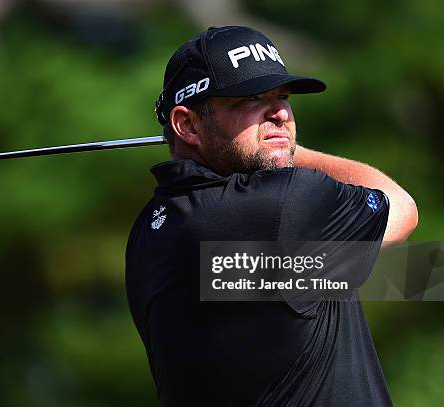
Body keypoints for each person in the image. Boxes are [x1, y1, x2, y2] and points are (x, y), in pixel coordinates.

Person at [125, 26, 418, 406]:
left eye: (282, 97)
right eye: (250, 98)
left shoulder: (150, 229)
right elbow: (402, 207)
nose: (280, 113)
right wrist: (291, 150)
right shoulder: (286, 203)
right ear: (188, 124)